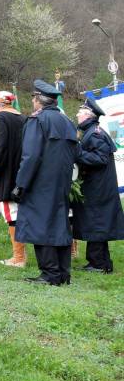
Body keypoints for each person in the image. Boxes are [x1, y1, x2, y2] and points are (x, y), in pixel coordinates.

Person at [12, 79, 78, 285]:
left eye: (33, 97)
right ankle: (63, 274)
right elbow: (76, 153)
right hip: (62, 183)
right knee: (60, 225)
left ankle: (49, 274)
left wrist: (21, 184)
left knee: (41, 226)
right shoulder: (67, 122)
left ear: (39, 100)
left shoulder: (38, 121)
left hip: (40, 183)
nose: (32, 101)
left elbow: (30, 156)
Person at [71, 98, 124, 273]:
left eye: (80, 111)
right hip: (98, 186)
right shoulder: (92, 131)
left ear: (88, 115)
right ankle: (100, 262)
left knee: (97, 223)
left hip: (99, 188)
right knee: (96, 223)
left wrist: (77, 152)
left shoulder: (95, 133)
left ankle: (99, 264)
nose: (77, 114)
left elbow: (99, 159)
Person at [0, 91, 27, 267]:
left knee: (12, 214)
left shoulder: (0, 118)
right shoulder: (22, 118)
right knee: (20, 213)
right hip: (22, 171)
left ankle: (19, 258)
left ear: (0, 104)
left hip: (7, 173)